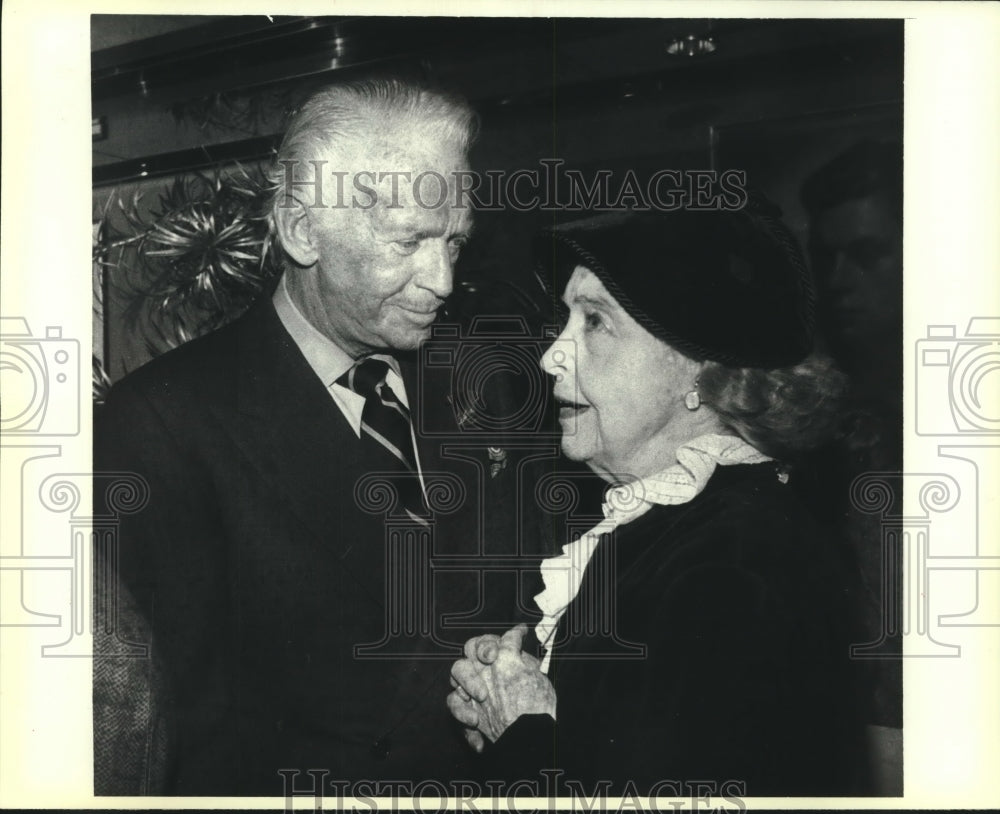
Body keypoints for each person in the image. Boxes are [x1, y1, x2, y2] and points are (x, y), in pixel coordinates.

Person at [95, 77, 548, 795]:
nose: (442, 279)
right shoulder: (161, 421)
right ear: (304, 232)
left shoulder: (477, 385)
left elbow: (523, 595)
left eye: (456, 242)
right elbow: (176, 731)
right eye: (410, 241)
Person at [448, 202, 874, 796]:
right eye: (564, 321)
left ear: (699, 374)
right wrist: (521, 701)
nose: (551, 357)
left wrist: (519, 731)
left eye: (594, 322)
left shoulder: (740, 560)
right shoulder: (673, 527)